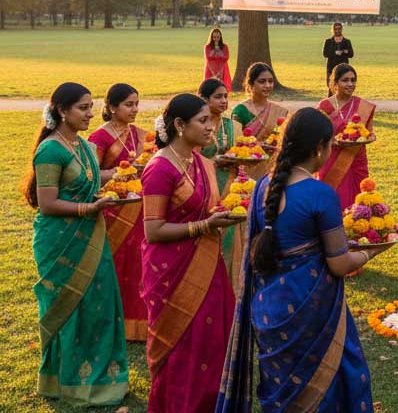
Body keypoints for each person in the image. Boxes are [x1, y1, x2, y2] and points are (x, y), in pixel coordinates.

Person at [217, 108, 387, 412]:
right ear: (318, 148)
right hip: (312, 312)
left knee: (281, 391)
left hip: (269, 309)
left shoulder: (262, 188)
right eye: (330, 144)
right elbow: (338, 263)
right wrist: (372, 251)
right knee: (336, 380)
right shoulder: (320, 194)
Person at [22, 82, 129, 406]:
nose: (90, 113)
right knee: (68, 309)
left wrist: (121, 180)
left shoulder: (81, 146)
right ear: (61, 111)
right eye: (83, 107)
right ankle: (65, 381)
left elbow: (89, 184)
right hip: (60, 241)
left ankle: (102, 379)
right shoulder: (50, 150)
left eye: (90, 106)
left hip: (91, 235)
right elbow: (48, 203)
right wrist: (90, 208)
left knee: (100, 304)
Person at [141, 94, 242, 413]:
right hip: (171, 271)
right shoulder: (159, 168)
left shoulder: (203, 162)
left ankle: (212, 403)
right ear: (179, 125)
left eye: (209, 120)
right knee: (182, 343)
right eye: (203, 120)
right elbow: (153, 230)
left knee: (212, 340)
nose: (211, 126)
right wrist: (204, 226)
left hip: (208, 264)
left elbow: (208, 209)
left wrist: (229, 213)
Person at [87, 82, 148, 341]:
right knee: (116, 266)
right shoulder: (99, 138)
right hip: (114, 212)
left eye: (136, 103)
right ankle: (111, 324)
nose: (135, 109)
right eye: (128, 104)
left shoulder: (139, 134)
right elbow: (89, 176)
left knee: (139, 266)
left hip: (140, 208)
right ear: (111, 107)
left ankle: (139, 325)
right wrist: (118, 173)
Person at [198, 78, 245, 292]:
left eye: (226, 96)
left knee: (231, 240)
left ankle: (230, 289)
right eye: (218, 96)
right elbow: (189, 158)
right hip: (203, 189)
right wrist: (214, 162)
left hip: (231, 191)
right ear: (204, 99)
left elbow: (244, 154)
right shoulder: (197, 125)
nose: (224, 101)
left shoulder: (233, 126)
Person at [317, 64, 376, 210]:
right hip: (332, 160)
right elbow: (318, 135)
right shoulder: (325, 106)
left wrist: (370, 137)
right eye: (345, 80)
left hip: (357, 160)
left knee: (359, 203)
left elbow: (369, 133)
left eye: (353, 80)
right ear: (335, 83)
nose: (350, 84)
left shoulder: (363, 106)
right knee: (332, 201)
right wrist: (332, 141)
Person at [231, 63, 289, 178]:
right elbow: (235, 144)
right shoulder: (241, 111)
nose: (267, 85)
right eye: (262, 81)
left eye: (270, 81)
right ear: (251, 84)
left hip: (273, 168)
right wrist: (258, 145)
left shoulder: (280, 112)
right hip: (248, 169)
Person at [322, 22, 354, 94]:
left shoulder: (347, 41)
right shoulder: (328, 41)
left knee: (344, 89)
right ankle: (330, 105)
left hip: (344, 69)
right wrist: (334, 53)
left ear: (342, 29)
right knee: (331, 88)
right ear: (333, 30)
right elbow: (325, 54)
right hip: (331, 68)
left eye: (339, 29)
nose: (337, 30)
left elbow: (351, 54)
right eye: (335, 29)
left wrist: (345, 52)